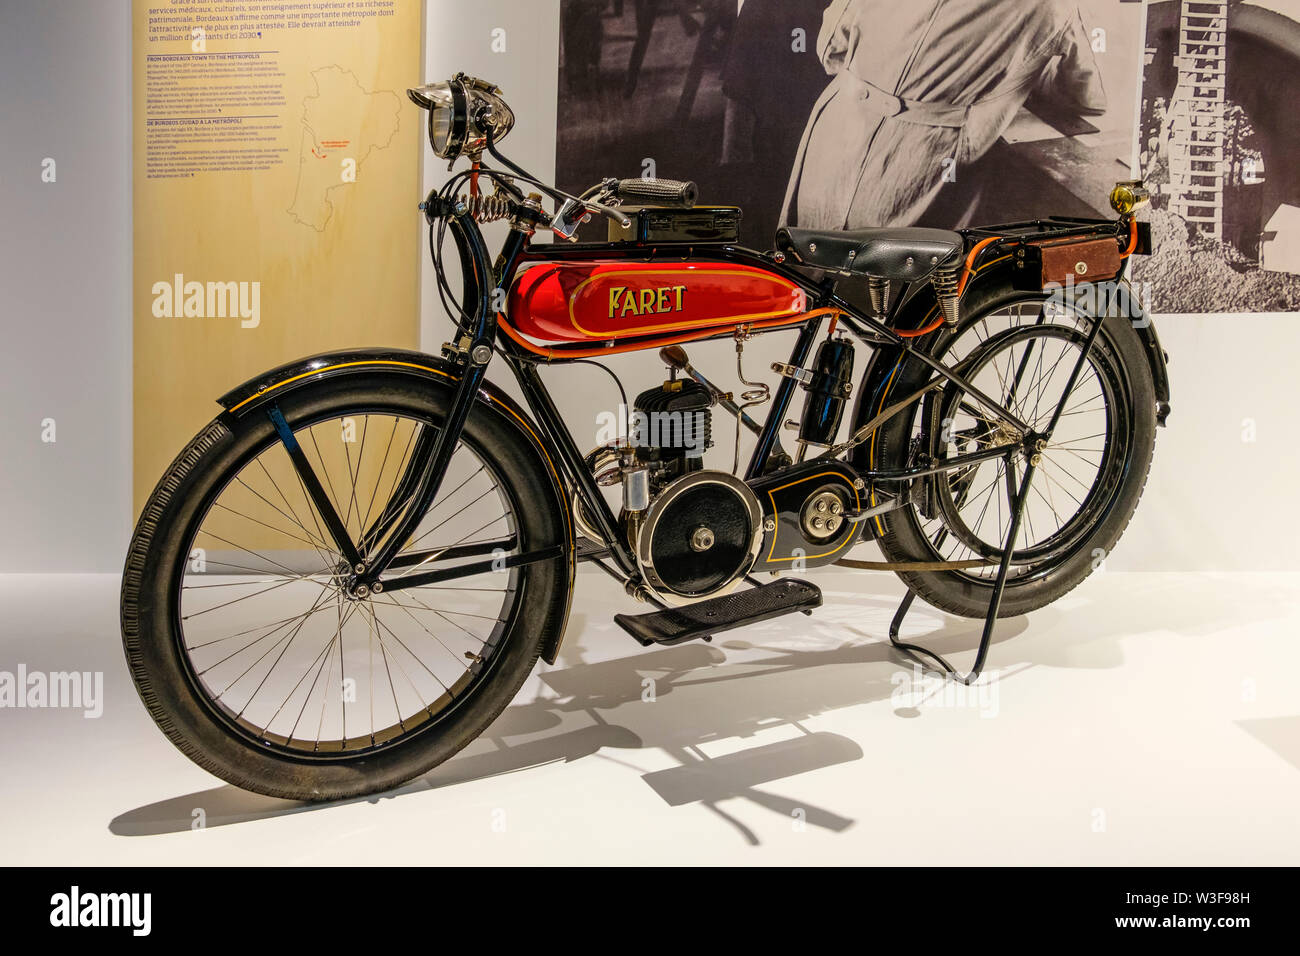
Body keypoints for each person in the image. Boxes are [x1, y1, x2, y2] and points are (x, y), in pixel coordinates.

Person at [781, 0, 1107, 230]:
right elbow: (1086, 98)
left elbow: (830, 49)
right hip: (924, 165)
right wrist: (1017, 70)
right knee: (902, 306)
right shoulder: (1058, 4)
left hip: (836, 137)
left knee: (809, 287)